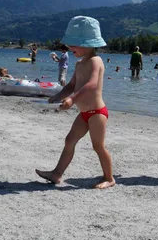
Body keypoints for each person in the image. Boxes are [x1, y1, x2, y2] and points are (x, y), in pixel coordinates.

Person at [35, 16, 114, 189]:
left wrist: (72, 100)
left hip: (97, 113)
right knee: (69, 140)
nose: (70, 48)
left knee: (98, 146)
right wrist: (58, 96)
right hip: (85, 114)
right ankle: (57, 174)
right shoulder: (79, 64)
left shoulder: (96, 61)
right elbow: (71, 85)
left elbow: (92, 85)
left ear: (88, 43)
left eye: (74, 44)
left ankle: (109, 178)